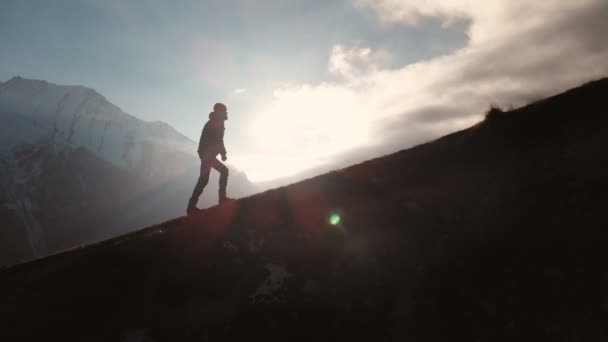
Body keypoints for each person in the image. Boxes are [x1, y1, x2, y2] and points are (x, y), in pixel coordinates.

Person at [187, 102, 233, 215]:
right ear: (220, 111)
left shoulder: (215, 120)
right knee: (223, 171)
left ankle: (191, 207)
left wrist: (222, 153)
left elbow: (217, 139)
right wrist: (223, 153)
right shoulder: (217, 121)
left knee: (204, 179)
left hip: (206, 153)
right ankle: (221, 199)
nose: (226, 112)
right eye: (224, 110)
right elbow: (218, 139)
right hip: (208, 154)